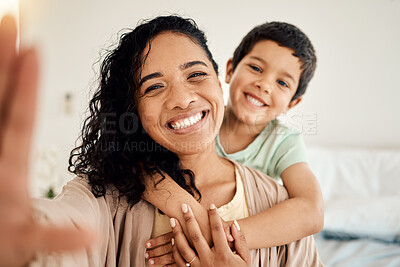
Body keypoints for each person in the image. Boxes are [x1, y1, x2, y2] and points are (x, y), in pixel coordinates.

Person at [0, 14, 322, 266]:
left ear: (216, 81)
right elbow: (58, 225)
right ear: (133, 109)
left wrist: (221, 238)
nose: (182, 99)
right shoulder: (104, 197)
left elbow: (311, 211)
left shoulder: (279, 205)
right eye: (153, 86)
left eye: (195, 74)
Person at [143, 21, 324, 264]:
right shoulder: (197, 121)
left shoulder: (284, 142)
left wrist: (218, 235)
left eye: (282, 83)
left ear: (292, 103)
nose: (265, 84)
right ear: (229, 70)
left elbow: (311, 212)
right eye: (256, 68)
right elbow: (141, 170)